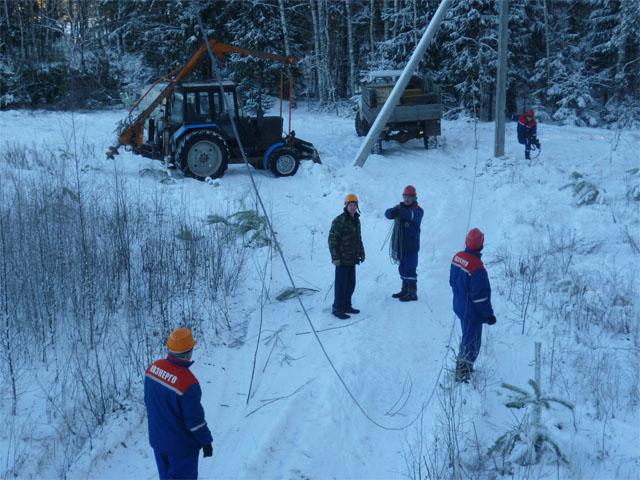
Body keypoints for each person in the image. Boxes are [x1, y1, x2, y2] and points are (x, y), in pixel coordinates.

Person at [145, 327, 213, 479]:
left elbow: (149, 403)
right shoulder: (188, 383)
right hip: (180, 448)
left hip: (158, 441)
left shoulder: (153, 369)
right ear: (189, 352)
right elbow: (195, 422)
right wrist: (206, 441)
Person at [449, 228, 496, 383]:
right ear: (481, 245)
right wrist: (488, 315)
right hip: (471, 313)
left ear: (466, 241)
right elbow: (481, 297)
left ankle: (463, 368)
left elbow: (452, 281)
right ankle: (463, 372)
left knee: (466, 337)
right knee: (472, 342)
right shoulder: (477, 268)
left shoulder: (457, 257)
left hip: (459, 306)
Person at [328, 193, 365, 319]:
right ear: (346, 206)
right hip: (342, 260)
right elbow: (332, 240)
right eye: (350, 205)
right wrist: (335, 258)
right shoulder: (340, 220)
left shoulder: (356, 220)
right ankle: (337, 308)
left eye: (355, 205)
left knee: (351, 284)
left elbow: (358, 238)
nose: (353, 207)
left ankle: (347, 306)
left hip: (352, 259)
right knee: (341, 285)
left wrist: (361, 251)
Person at [384, 185, 424, 302]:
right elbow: (387, 214)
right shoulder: (401, 208)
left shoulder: (418, 210)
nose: (406, 199)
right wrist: (393, 211)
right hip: (400, 245)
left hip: (411, 246)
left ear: (414, 198)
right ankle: (405, 290)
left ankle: (412, 292)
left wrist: (399, 210)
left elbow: (410, 215)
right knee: (402, 268)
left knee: (410, 268)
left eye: (409, 197)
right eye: (405, 196)